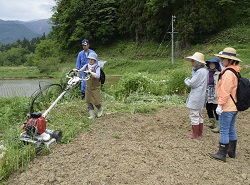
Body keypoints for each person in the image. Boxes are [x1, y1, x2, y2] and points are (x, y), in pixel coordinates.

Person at [208, 47, 242, 162]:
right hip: (234, 106)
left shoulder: (227, 73)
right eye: (221, 58)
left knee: (224, 130)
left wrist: (220, 105)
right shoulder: (235, 71)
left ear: (230, 60)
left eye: (223, 59)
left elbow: (225, 91)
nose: (221, 61)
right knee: (231, 128)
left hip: (227, 107)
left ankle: (221, 153)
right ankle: (231, 152)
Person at [184, 52, 208, 139]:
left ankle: (195, 134)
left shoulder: (199, 72)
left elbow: (192, 83)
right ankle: (199, 133)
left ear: (197, 62)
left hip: (196, 95)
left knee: (194, 114)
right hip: (202, 95)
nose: (192, 62)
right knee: (199, 114)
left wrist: (187, 80)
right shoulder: (205, 71)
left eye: (193, 61)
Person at [77, 52, 103, 119]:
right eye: (89, 59)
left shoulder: (97, 67)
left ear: (95, 60)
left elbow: (98, 75)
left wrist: (91, 73)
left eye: (92, 59)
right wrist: (77, 71)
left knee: (96, 100)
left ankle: (100, 109)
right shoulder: (86, 66)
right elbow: (80, 71)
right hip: (88, 86)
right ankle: (92, 115)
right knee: (88, 100)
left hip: (95, 87)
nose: (90, 61)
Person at [205, 58, 221, 133]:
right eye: (210, 64)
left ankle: (218, 125)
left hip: (215, 91)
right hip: (208, 91)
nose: (211, 65)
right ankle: (212, 122)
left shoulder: (219, 73)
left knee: (215, 108)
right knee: (208, 106)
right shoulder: (207, 72)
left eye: (213, 64)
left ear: (216, 65)